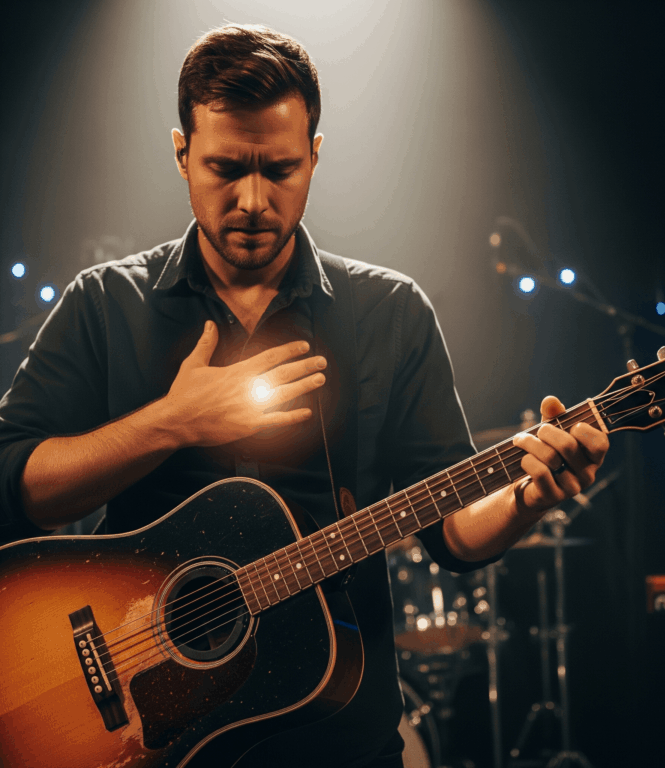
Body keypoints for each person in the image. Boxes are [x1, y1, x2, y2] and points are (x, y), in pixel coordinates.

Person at [0, 24, 609, 768]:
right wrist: (170, 423)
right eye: (225, 168)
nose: (254, 200)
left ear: (314, 155)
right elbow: (14, 487)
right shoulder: (106, 304)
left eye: (281, 169)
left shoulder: (390, 313)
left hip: (337, 736)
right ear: (182, 153)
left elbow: (451, 533)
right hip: (142, 735)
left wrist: (528, 498)